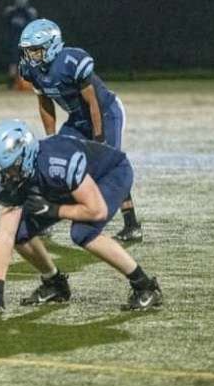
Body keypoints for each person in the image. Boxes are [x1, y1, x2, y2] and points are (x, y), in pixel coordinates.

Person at [0, 120, 162, 314]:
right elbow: (6, 234)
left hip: (108, 174)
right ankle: (54, 283)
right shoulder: (14, 178)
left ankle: (145, 286)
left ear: (27, 155)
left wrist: (54, 210)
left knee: (83, 232)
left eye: (11, 170)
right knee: (20, 233)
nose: (7, 178)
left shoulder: (56, 163)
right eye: (1, 172)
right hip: (66, 189)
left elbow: (97, 210)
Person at [19, 19, 142, 242]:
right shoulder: (31, 70)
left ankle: (131, 223)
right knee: (55, 159)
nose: (31, 57)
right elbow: (45, 103)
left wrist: (100, 138)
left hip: (105, 113)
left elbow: (93, 102)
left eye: (36, 50)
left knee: (109, 164)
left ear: (52, 45)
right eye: (29, 51)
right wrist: (52, 138)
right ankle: (46, 217)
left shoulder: (70, 61)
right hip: (77, 119)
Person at [4, 0, 37, 89]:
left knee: (30, 61)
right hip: (15, 40)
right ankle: (11, 82)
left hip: (27, 41)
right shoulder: (11, 12)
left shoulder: (30, 12)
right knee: (14, 62)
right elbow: (6, 24)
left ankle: (32, 81)